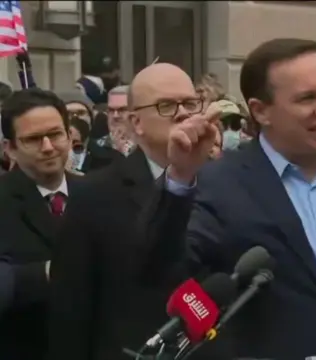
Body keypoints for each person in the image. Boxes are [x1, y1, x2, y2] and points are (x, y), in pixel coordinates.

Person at [139, 38, 316, 360]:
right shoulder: (221, 182)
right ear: (260, 111)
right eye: (307, 98)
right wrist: (181, 176)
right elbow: (161, 271)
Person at [47, 63, 222, 360]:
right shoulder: (94, 195)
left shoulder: (226, 184)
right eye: (166, 105)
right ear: (135, 122)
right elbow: (72, 311)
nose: (182, 114)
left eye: (191, 104)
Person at [0, 88, 83, 360]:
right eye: (34, 139)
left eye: (55, 134)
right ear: (10, 148)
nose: (48, 147)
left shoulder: (99, 192)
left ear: (69, 136)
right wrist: (51, 272)